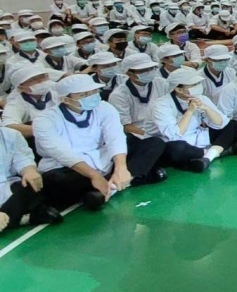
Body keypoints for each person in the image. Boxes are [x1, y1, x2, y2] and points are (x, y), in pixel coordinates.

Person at [34, 74, 167, 211]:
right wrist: (94, 175)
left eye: (94, 91)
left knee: (154, 143)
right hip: (72, 168)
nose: (92, 96)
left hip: (103, 158)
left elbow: (115, 136)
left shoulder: (104, 107)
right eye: (84, 94)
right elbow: (62, 153)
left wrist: (120, 167)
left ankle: (111, 187)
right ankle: (132, 178)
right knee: (54, 180)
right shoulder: (45, 120)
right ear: (66, 99)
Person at [153, 68, 237, 172]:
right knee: (176, 149)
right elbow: (174, 135)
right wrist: (189, 112)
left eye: (198, 83)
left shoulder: (200, 98)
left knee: (233, 125)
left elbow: (220, 123)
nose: (199, 86)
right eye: (194, 84)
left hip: (199, 137)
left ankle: (207, 158)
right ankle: (215, 152)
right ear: (179, 89)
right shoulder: (161, 105)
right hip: (177, 142)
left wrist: (207, 108)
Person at [0, 127, 62, 234]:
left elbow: (24, 160)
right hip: (12, 201)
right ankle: (24, 217)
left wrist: (30, 171)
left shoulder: (11, 135)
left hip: (8, 187)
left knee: (32, 184)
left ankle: (13, 218)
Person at [2, 67, 55, 140]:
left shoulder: (56, 92)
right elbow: (9, 126)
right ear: (21, 87)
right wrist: (46, 130)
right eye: (33, 80)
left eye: (42, 77)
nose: (40, 81)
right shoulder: (16, 102)